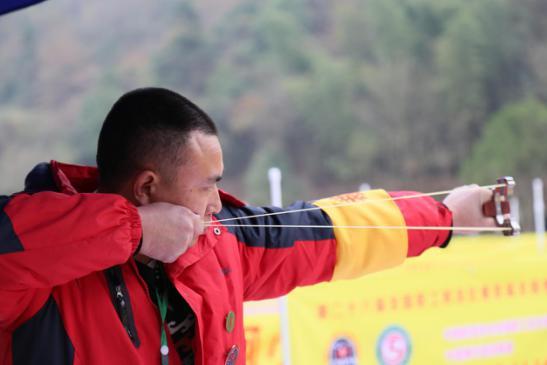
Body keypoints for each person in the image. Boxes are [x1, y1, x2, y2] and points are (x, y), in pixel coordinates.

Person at [0, 88, 496, 365]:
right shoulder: (39, 278)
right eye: (205, 185)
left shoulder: (214, 244)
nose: (217, 203)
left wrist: (447, 217)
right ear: (147, 187)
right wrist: (134, 230)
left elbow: (328, 230)